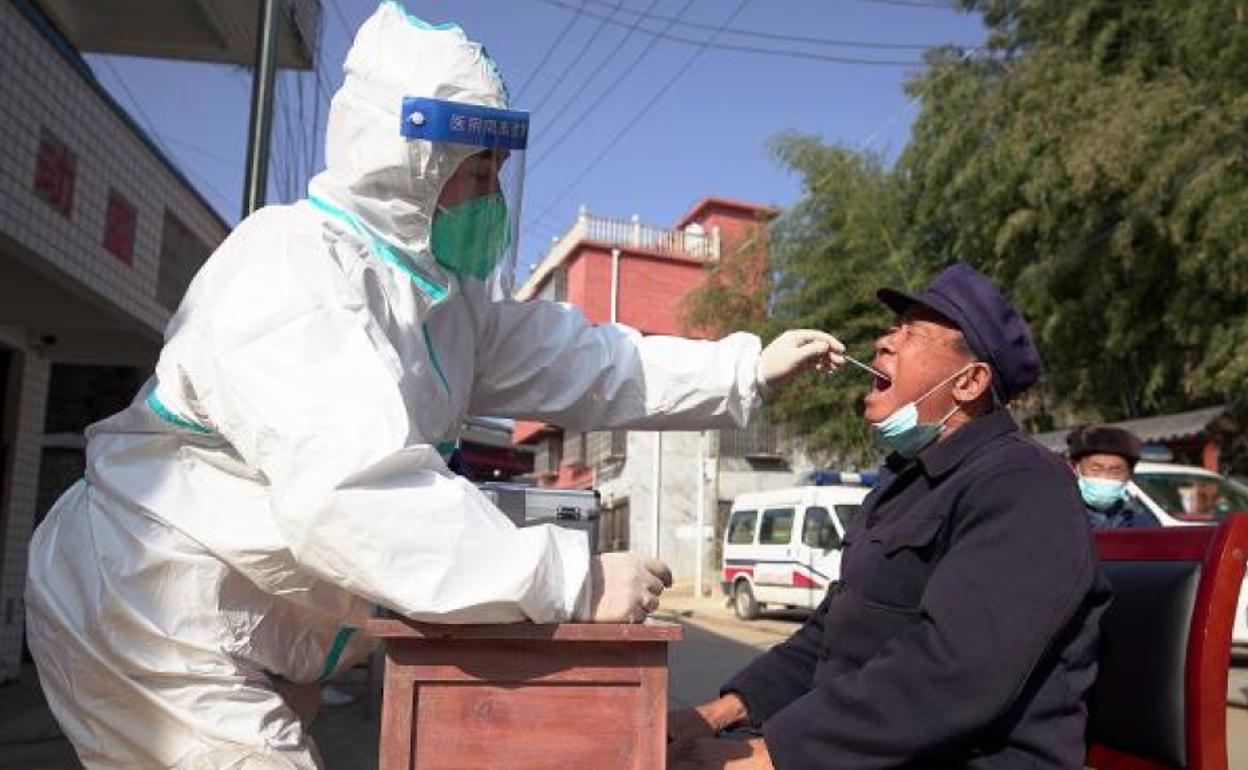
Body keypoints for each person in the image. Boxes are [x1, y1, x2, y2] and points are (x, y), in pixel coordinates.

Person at [23, 5, 843, 769]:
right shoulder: (293, 267)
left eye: (496, 170)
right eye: (473, 170)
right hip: (148, 610)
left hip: (243, 622)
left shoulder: (442, 300)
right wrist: (577, 579)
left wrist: (745, 367)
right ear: (408, 163)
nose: (490, 195)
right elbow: (357, 491)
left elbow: (591, 361)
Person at [669, 263, 1112, 770]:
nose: (884, 341)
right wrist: (715, 714)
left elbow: (955, 674)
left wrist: (773, 757)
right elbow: (829, 636)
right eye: (891, 328)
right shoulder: (904, 483)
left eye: (912, 332)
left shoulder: (1023, 485)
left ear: (969, 381)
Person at [1066, 424, 1161, 528]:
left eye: (1115, 471)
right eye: (1096, 469)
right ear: (1074, 468)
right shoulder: (1057, 514)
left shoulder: (1139, 520)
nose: (1104, 477)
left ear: (1130, 474)